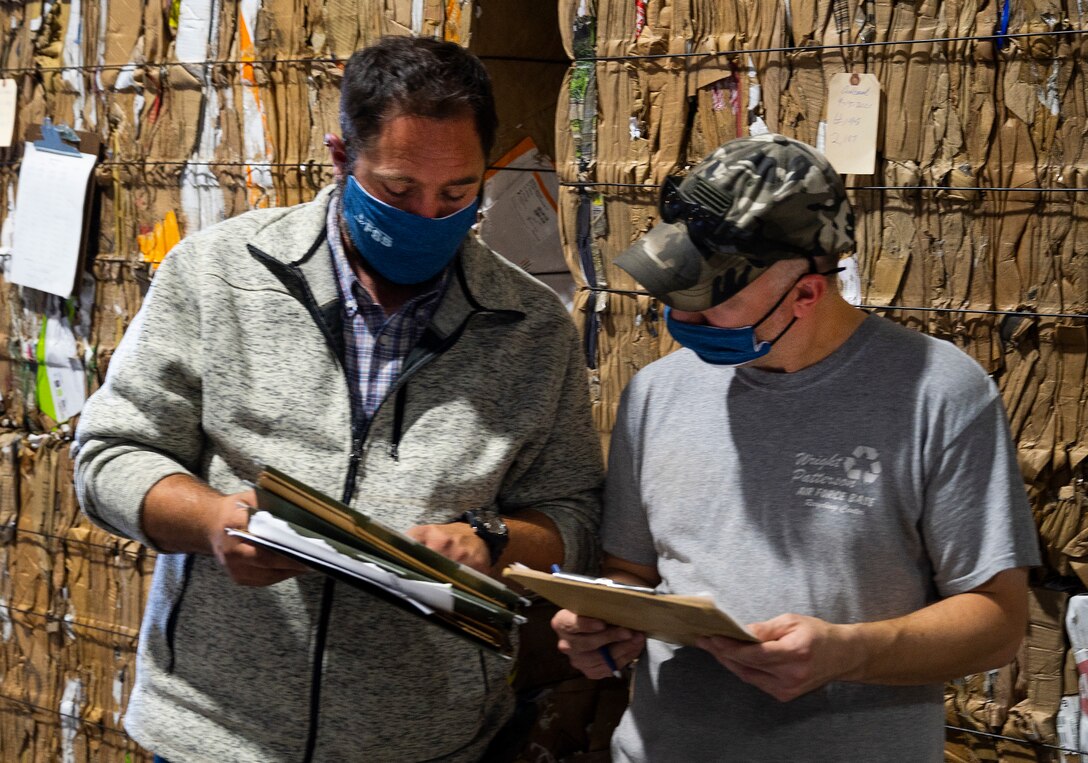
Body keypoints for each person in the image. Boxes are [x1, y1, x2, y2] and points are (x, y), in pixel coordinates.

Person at [74, 36, 601, 762]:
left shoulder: (531, 326)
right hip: (212, 731)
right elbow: (111, 453)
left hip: (426, 740)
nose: (428, 215)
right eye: (397, 190)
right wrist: (213, 523)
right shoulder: (221, 273)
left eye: (457, 194)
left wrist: (491, 539)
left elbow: (574, 510)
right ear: (339, 157)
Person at [550, 133, 1039, 761]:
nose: (683, 323)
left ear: (806, 293)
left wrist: (850, 652)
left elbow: (998, 622)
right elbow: (633, 575)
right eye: (676, 297)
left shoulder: (939, 393)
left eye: (708, 303)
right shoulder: (655, 393)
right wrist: (604, 625)